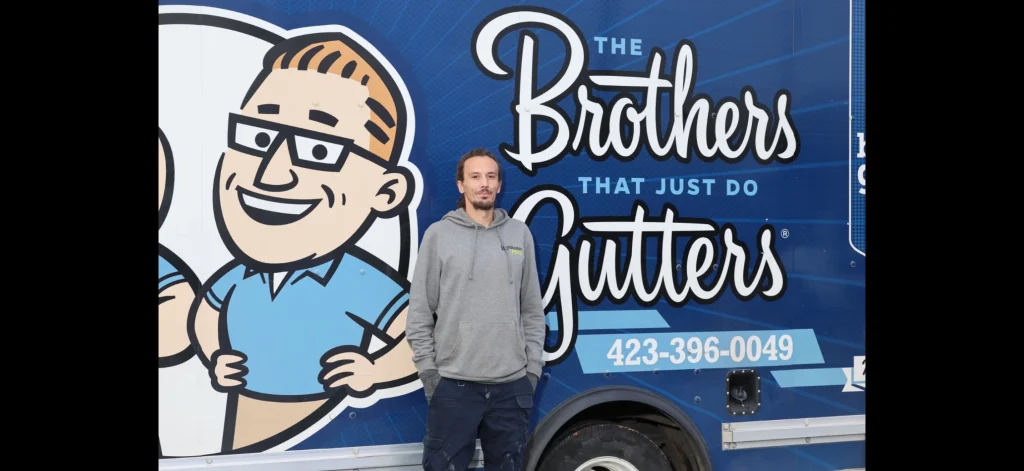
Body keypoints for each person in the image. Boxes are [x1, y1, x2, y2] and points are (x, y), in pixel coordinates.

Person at [188, 31, 421, 452]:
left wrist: (375, 371)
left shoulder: (360, 279)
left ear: (385, 192)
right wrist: (215, 354)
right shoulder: (242, 274)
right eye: (258, 138)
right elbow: (207, 309)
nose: (271, 174)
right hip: (243, 419)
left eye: (318, 150)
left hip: (317, 418)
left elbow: (418, 333)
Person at [406, 148, 546, 470]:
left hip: (511, 387)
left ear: (498, 185)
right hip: (454, 386)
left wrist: (531, 372)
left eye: (491, 177)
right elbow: (419, 314)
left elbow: (532, 311)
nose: (484, 183)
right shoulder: (439, 235)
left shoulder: (518, 234)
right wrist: (430, 376)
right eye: (475, 176)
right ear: (461, 185)